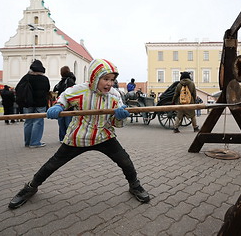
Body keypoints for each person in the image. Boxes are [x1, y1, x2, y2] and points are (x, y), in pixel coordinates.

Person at [8, 59, 150, 209]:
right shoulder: (79, 90)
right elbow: (64, 97)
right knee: (52, 165)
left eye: (112, 80)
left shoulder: (114, 95)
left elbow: (116, 123)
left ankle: (135, 185)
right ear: (94, 77)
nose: (109, 83)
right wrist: (58, 106)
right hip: (78, 137)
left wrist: (121, 116)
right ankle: (31, 187)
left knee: (125, 161)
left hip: (104, 135)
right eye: (105, 79)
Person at [16, 59, 50, 148]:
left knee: (28, 122)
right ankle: (35, 142)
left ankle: (27, 142)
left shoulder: (26, 77)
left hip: (28, 103)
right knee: (38, 122)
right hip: (41, 103)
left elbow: (18, 88)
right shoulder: (44, 79)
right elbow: (47, 90)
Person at [53, 66, 76, 142]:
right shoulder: (67, 80)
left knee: (63, 123)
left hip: (66, 104)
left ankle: (64, 138)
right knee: (66, 122)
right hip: (68, 105)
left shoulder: (66, 81)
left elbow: (55, 89)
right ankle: (66, 138)